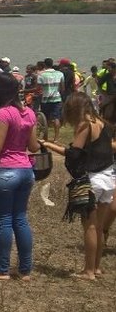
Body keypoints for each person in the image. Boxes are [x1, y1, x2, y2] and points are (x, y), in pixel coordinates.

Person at [42, 92, 116, 280]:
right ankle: (97, 267)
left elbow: (74, 154)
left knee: (89, 227)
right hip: (108, 179)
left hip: (93, 180)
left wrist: (48, 145)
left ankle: (88, 271)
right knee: (99, 227)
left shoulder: (85, 125)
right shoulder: (103, 124)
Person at [0, 72, 39, 280]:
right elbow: (33, 146)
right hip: (26, 170)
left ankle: (2, 269)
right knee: (21, 219)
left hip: (6, 171)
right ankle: (25, 269)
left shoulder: (3, 114)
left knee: (3, 221)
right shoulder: (29, 113)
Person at [36, 59, 65, 141]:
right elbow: (62, 88)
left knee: (45, 117)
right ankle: (56, 138)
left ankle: (45, 136)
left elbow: (38, 88)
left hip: (45, 99)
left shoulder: (41, 75)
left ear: (44, 65)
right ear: (52, 64)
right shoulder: (60, 74)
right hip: (57, 98)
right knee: (56, 118)